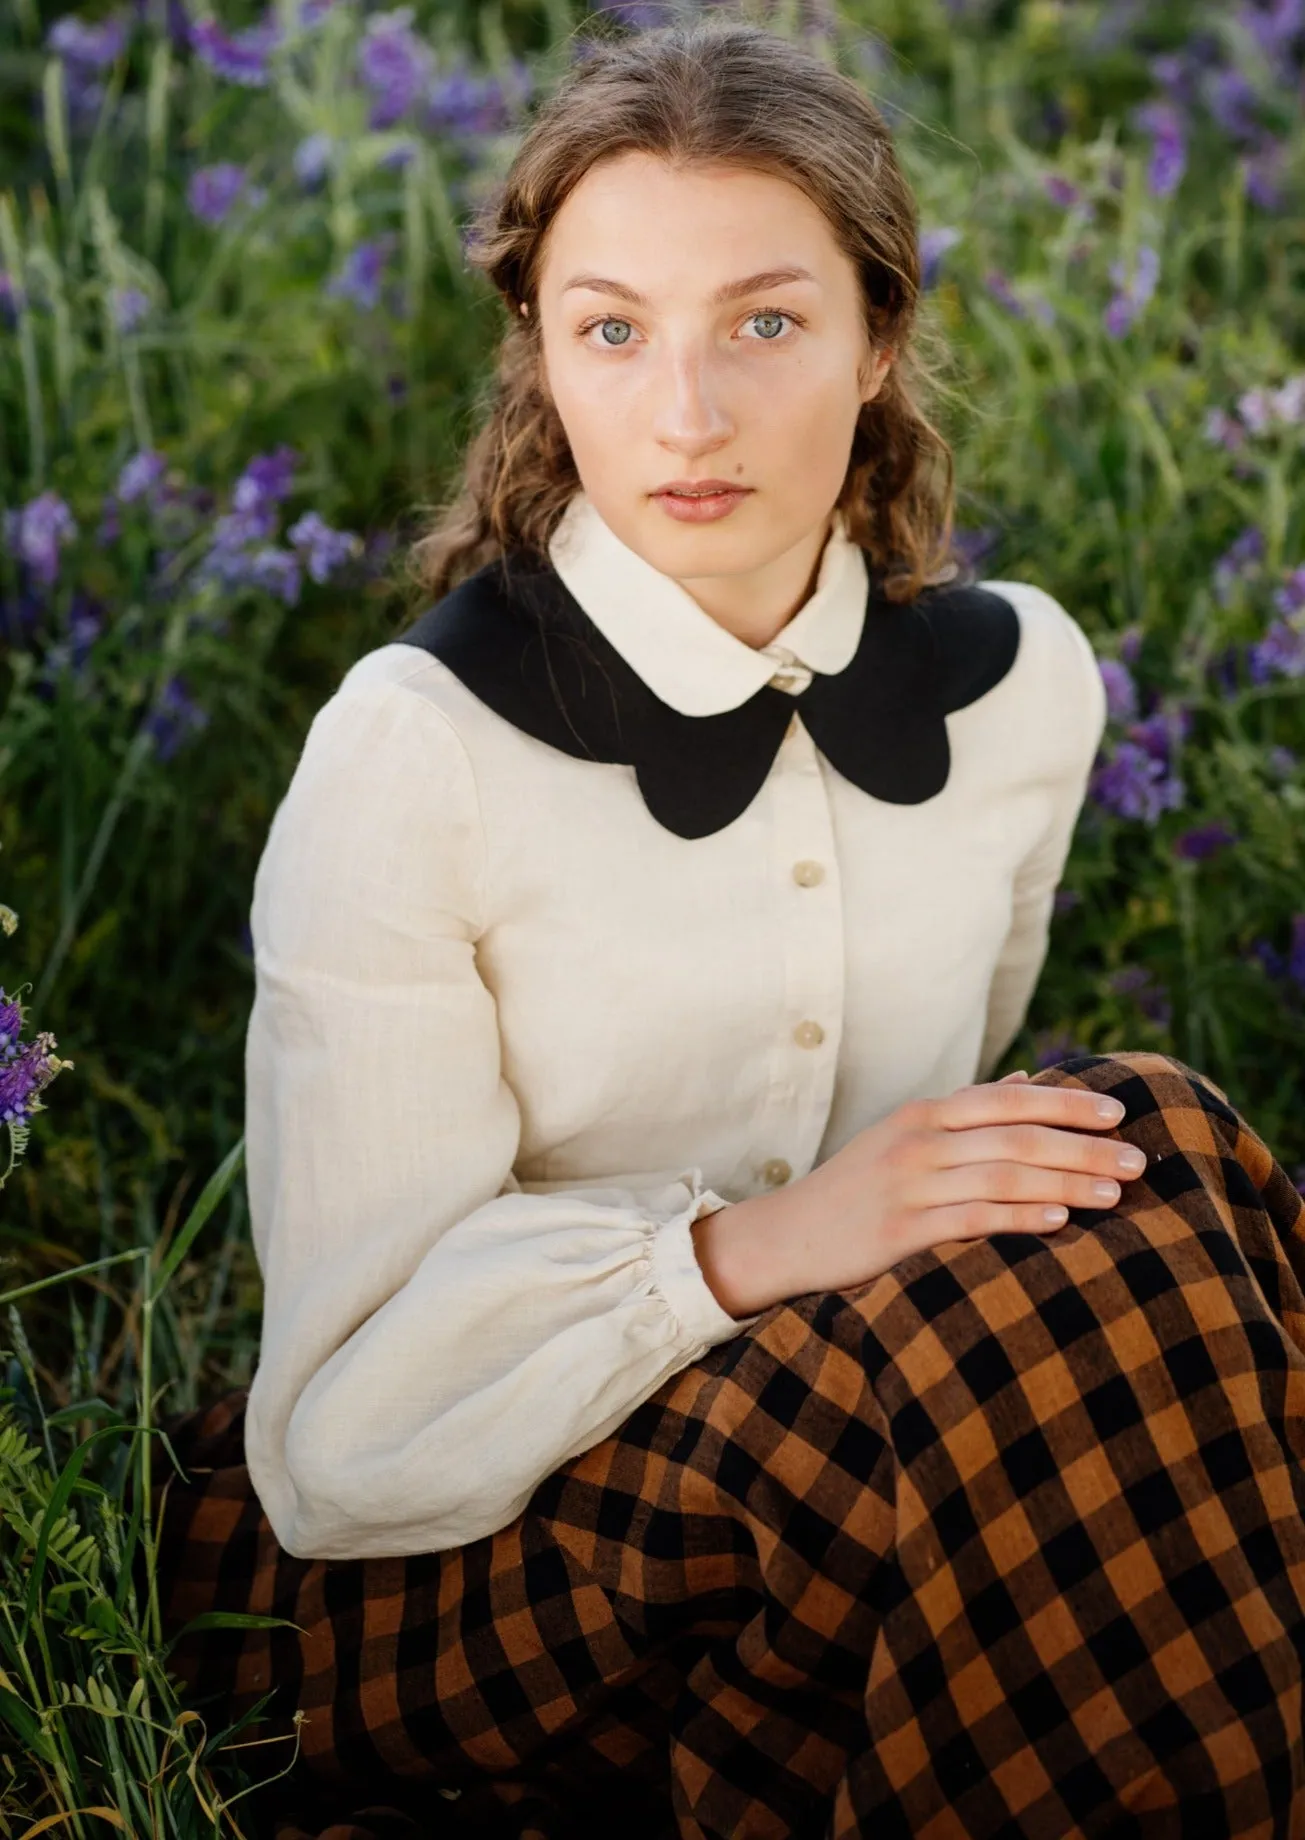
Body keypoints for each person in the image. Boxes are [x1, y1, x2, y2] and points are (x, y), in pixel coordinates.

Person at [152, 17, 1305, 1839]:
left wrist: (855, 1258)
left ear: (879, 338)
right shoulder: (413, 751)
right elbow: (340, 1451)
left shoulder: (1028, 692)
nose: (686, 413)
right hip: (477, 1544)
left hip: (891, 1423)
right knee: (1106, 1252)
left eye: (764, 322)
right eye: (612, 329)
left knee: (1161, 1159)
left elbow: (941, 1175)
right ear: (541, 353)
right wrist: (747, 1253)